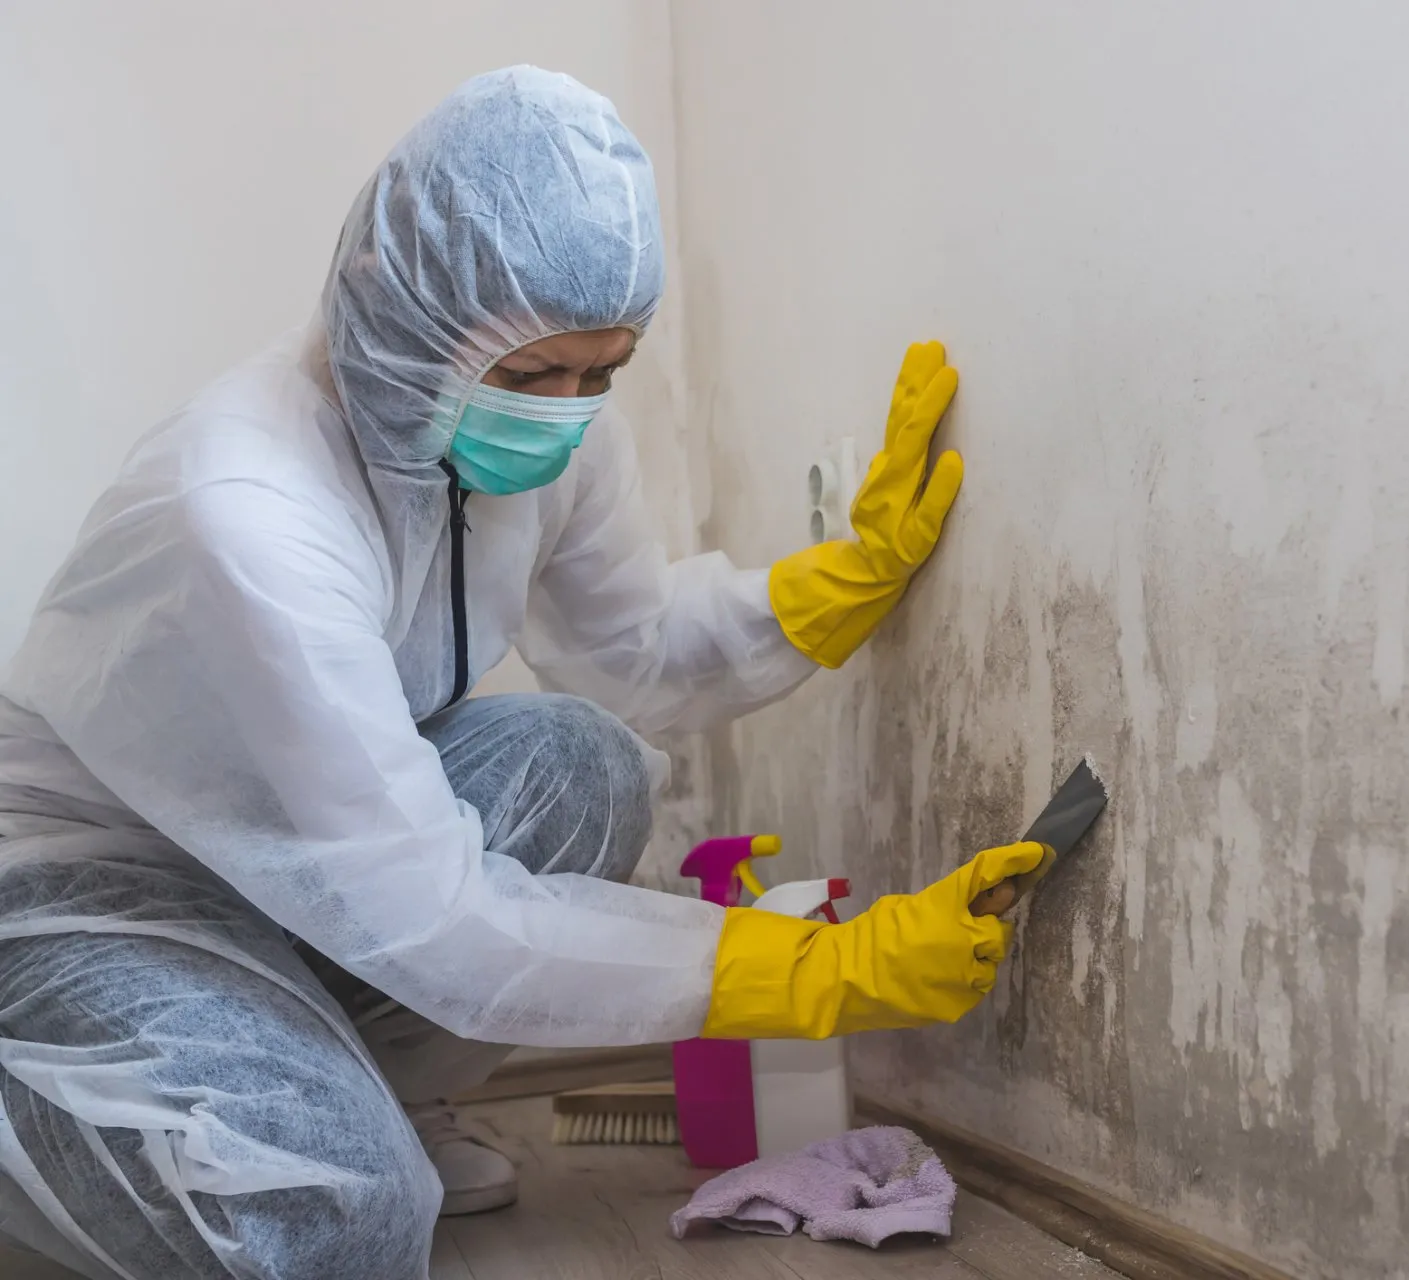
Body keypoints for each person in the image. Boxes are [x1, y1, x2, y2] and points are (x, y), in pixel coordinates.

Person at [0, 66, 1041, 1279]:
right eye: (537, 375)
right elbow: (432, 916)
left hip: (299, 872)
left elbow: (632, 648)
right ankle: (88, 1099)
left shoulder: (544, 424)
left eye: (604, 370)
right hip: (101, 885)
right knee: (341, 1213)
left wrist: (835, 586)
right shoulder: (247, 508)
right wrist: (814, 966)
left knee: (579, 762)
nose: (569, 411)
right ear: (407, 317)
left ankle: (352, 1089)